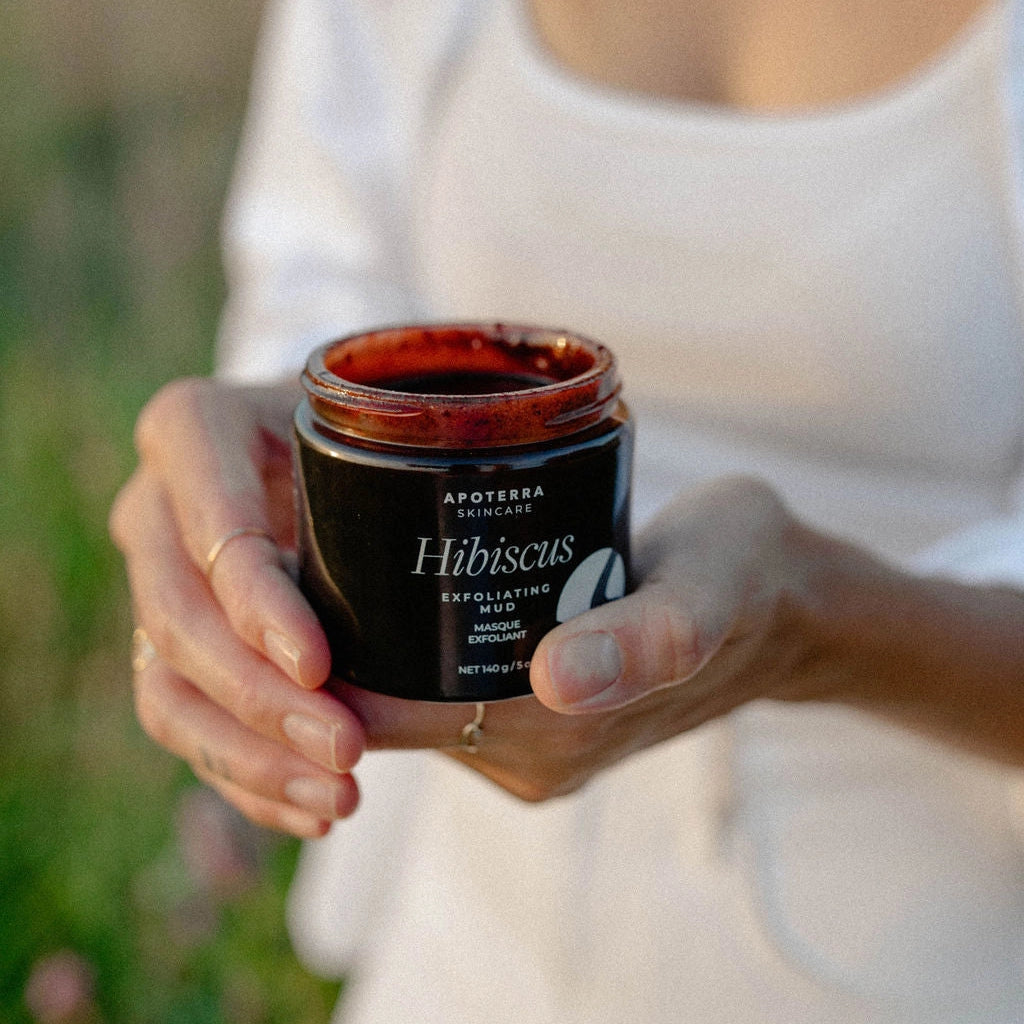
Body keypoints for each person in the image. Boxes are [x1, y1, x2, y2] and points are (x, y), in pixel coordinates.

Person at [110, 0, 1024, 1019]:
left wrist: (816, 620)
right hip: (464, 930)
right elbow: (316, 303)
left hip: (922, 944)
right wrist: (236, 507)